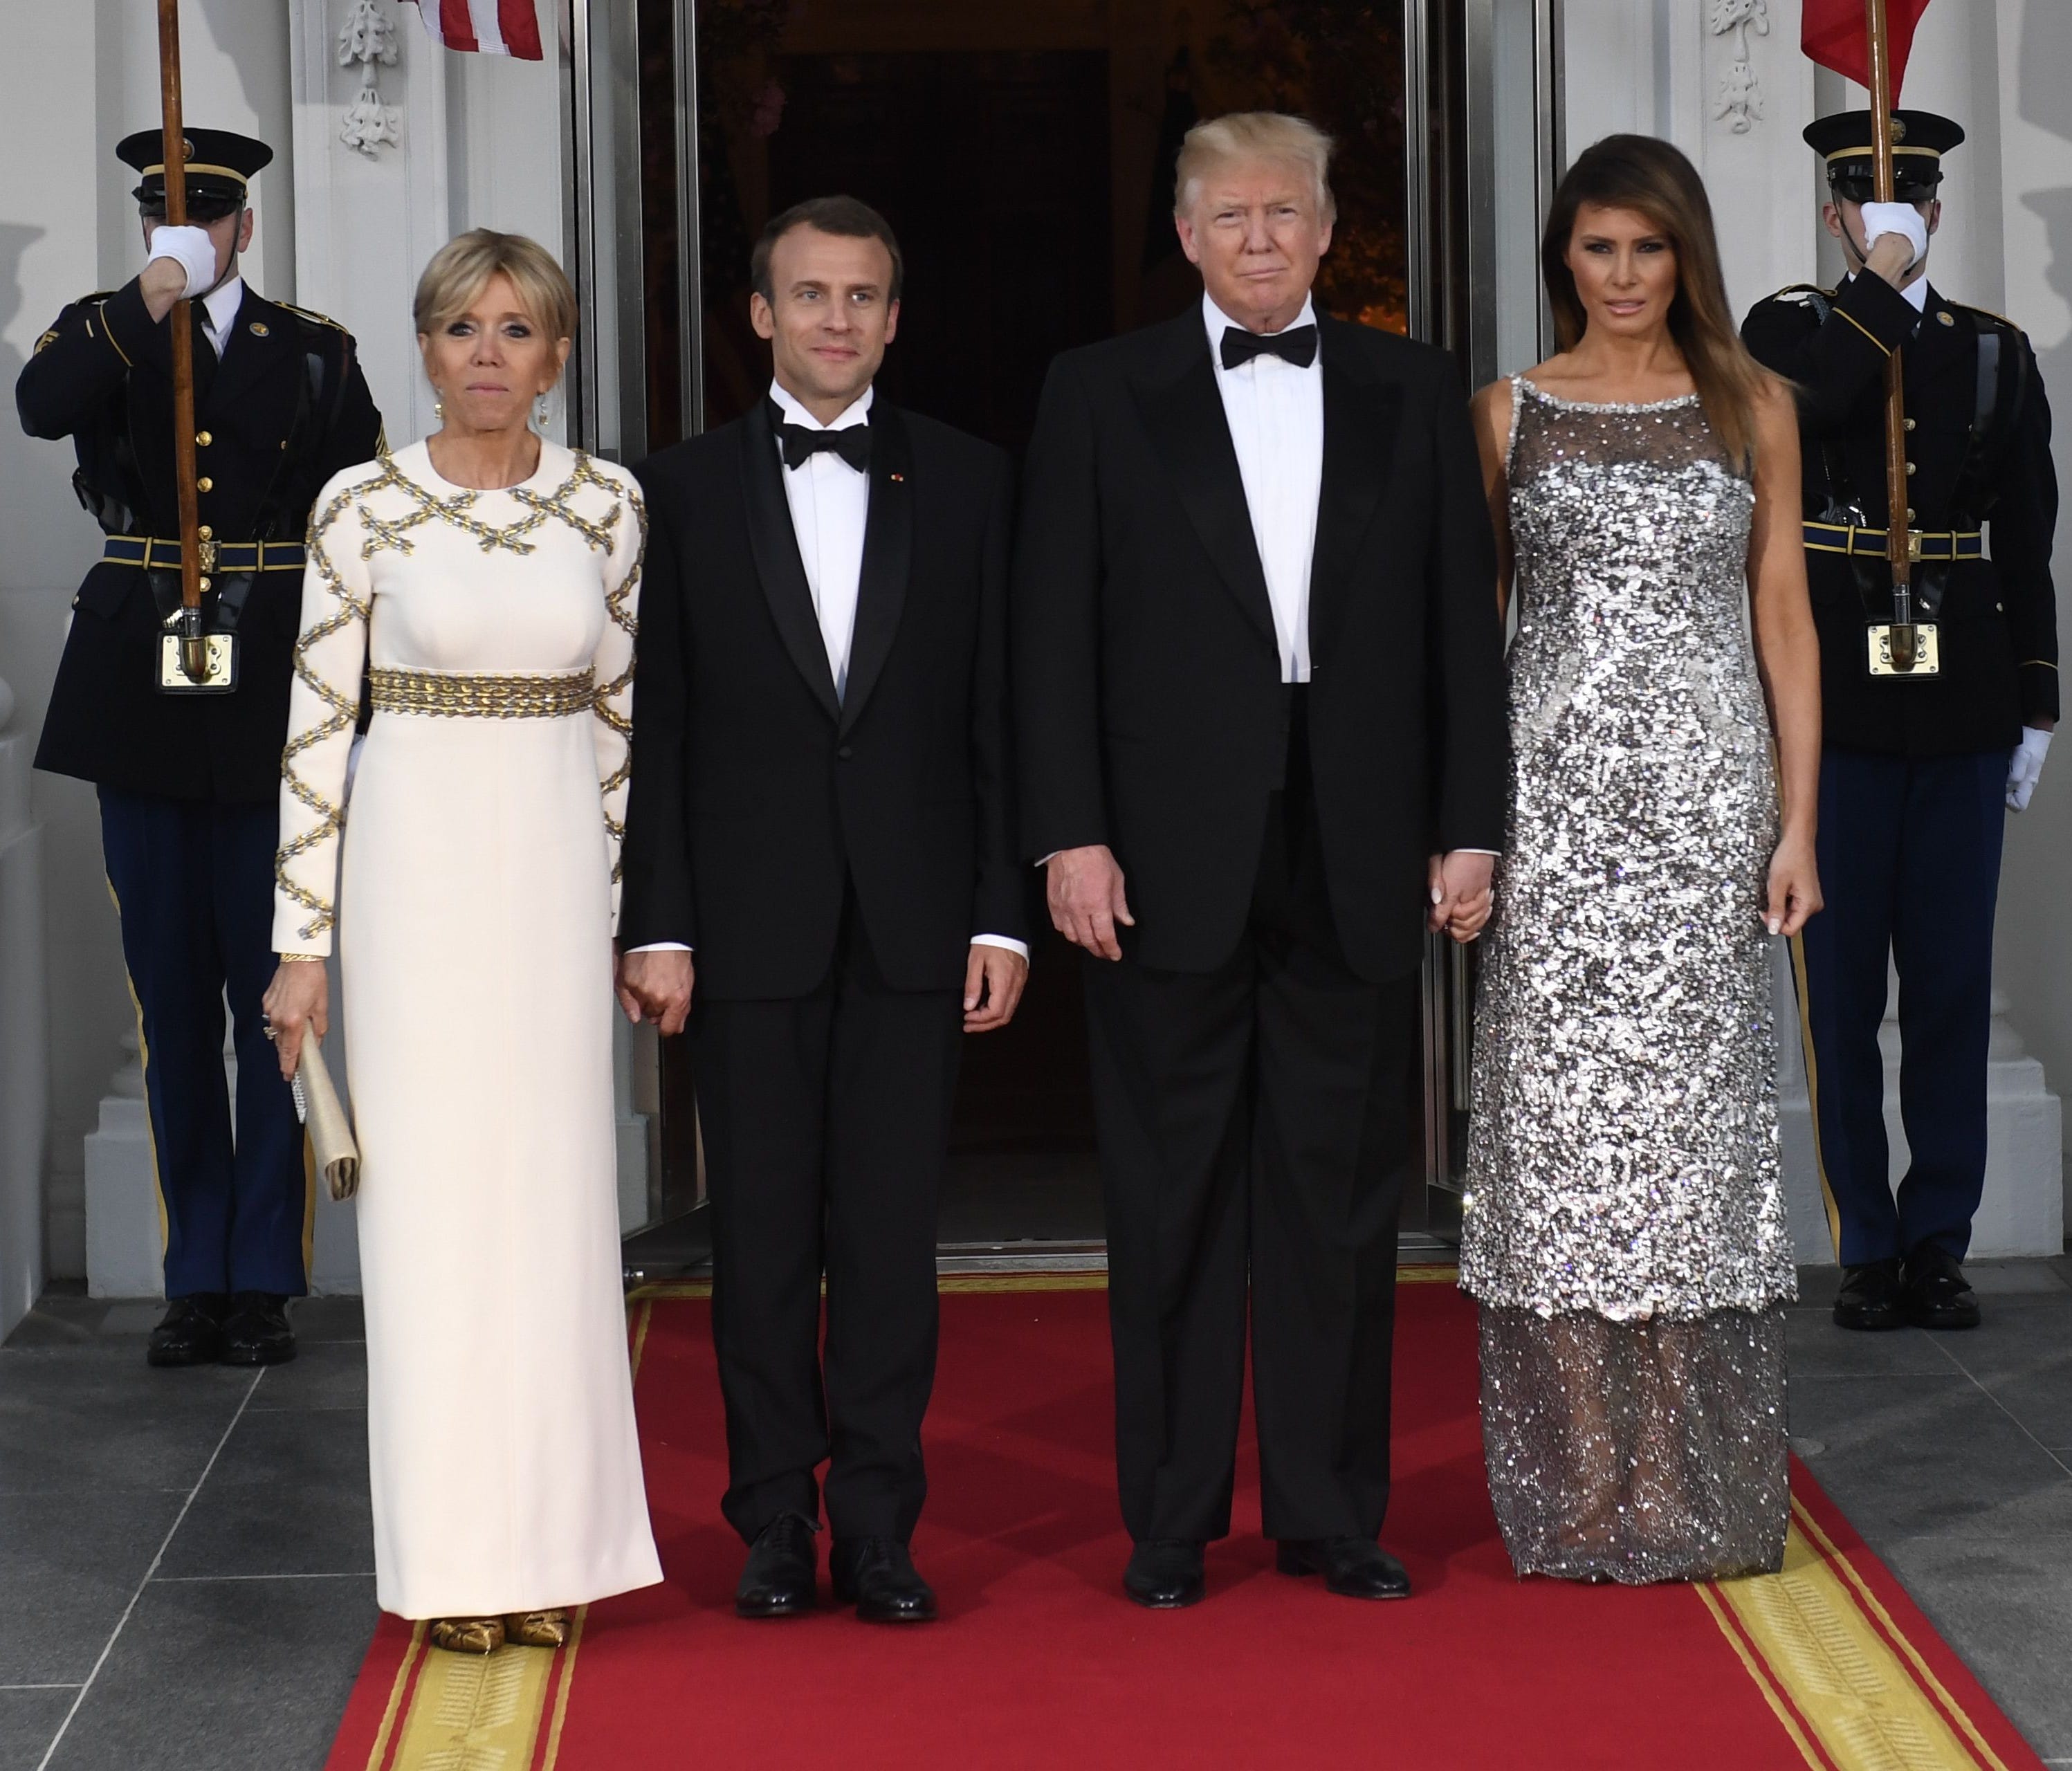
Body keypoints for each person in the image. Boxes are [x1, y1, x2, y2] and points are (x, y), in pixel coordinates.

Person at [1013, 112, 1507, 1611]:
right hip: (1158, 853)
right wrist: (1068, 832)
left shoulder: (1409, 388)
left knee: (1340, 1199)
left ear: (1326, 225)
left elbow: (1455, 632)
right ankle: (1168, 1522)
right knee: (1166, 1199)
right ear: (1183, 233)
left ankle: (1327, 1510)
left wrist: (1469, 819)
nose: (1259, 240)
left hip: (1357, 845)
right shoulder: (1097, 392)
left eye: (1285, 214)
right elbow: (1051, 636)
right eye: (1230, 216)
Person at [617, 197, 1027, 1625]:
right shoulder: (667, 491)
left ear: (894, 317)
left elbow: (997, 716)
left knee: (891, 1241)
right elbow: (655, 723)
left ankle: (879, 1525)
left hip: (918, 922)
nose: (836, 319)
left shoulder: (974, 482)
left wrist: (1003, 912)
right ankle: (772, 1523)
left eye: (862, 295)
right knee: (764, 1243)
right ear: (760, 313)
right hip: (743, 924)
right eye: (810, 295)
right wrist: (655, 920)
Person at [262, 230, 661, 1655]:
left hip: (554, 883)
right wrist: (299, 939)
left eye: (515, 327)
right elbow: (317, 724)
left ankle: (555, 1548)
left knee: (552, 1219)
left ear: (556, 354)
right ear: (424, 349)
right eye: (459, 326)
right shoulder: (357, 506)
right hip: (410, 874)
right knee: (433, 1227)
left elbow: (620, 731)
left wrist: (625, 919)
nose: (487, 351)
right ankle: (450, 1561)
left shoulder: (610, 504)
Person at [1459, 135, 1820, 1584]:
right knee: (1555, 1159)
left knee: (1690, 1161)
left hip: (1702, 826)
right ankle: (1581, 1482)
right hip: (1551, 822)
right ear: (1563, 255)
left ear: (1686, 255)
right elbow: (1471, 636)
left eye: (1647, 249)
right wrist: (1466, 827)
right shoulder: (1504, 414)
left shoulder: (1754, 404)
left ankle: (1676, 1478)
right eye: (1597, 249)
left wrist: (1797, 824)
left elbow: (1782, 614)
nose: (1622, 277)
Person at [17, 128, 382, 1370]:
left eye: (210, 219)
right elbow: (37, 410)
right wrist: (144, 303)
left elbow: (357, 519)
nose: (190, 236)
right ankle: (196, 1270)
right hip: (141, 685)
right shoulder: (103, 331)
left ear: (246, 225)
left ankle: (265, 1274)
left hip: (276, 678)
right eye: (166, 219)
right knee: (169, 994)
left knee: (275, 992)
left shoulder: (316, 352)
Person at [1743, 111, 2058, 1334]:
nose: (1892, 223)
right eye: (1866, 210)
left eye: (1911, 208)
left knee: (1945, 986)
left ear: (1936, 213)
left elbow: (2027, 533)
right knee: (1836, 989)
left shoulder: (1994, 351)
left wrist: (2036, 698)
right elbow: (1806, 399)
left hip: (1964, 694)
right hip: (1831, 705)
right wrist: (1870, 286)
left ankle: (1938, 1240)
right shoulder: (1790, 329)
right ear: (1836, 218)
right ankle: (1862, 1242)